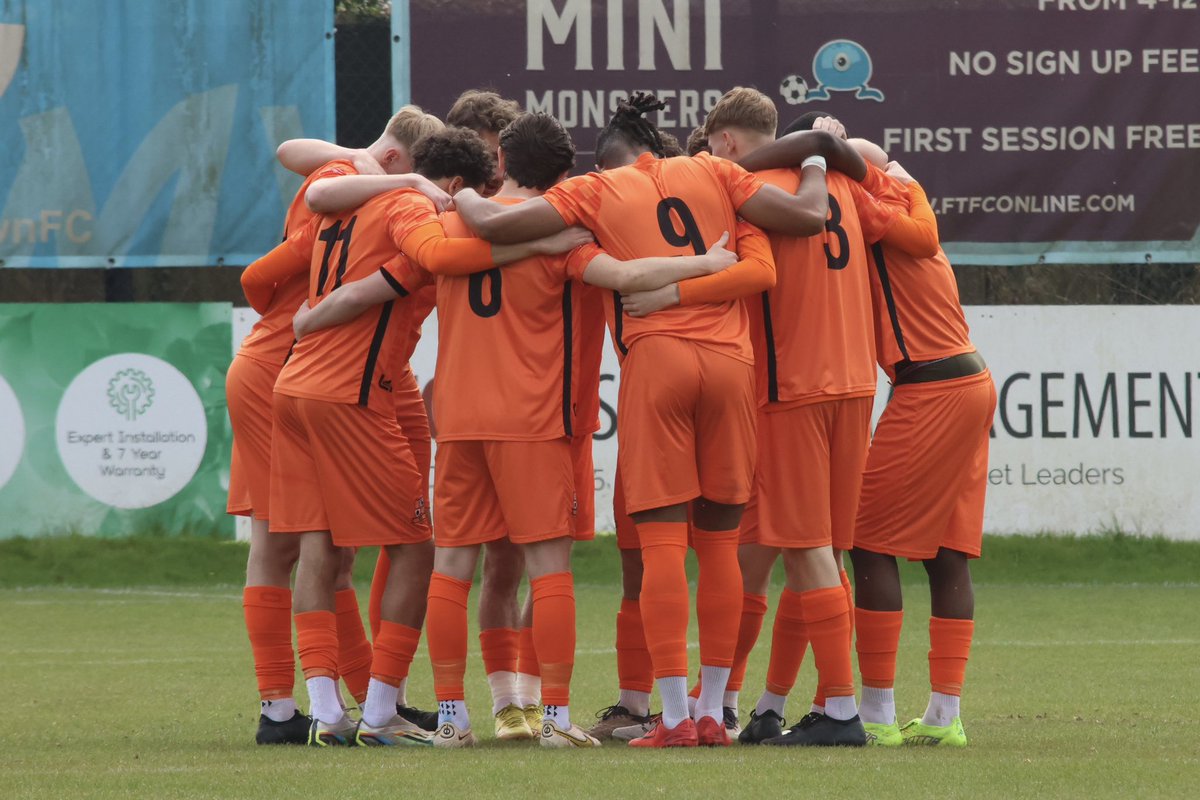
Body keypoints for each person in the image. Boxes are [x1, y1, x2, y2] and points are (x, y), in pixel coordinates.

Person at [451, 92, 838, 748]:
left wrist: (458, 195)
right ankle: (714, 710)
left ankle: (673, 718)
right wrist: (820, 157)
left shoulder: (595, 191)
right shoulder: (716, 172)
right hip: (729, 367)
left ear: (603, 162)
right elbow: (805, 218)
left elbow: (494, 226)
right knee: (719, 547)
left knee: (660, 550)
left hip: (657, 365)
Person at [254, 127, 584, 747]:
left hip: (297, 383)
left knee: (318, 545)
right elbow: (436, 259)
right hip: (358, 392)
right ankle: (386, 713)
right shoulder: (413, 208)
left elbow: (313, 257)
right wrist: (545, 242)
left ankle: (325, 711)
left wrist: (312, 315)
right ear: (456, 184)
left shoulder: (345, 189)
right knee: (422, 549)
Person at [667, 88, 896, 747]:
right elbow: (885, 175)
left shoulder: (746, 185)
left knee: (799, 549)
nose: (708, 159)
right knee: (788, 549)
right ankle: (753, 701)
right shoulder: (846, 186)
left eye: (711, 147)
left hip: (789, 386)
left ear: (728, 142)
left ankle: (841, 712)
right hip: (853, 383)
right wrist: (830, 147)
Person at [231, 105, 445, 744]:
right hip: (291, 362)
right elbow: (261, 275)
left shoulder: (344, 184)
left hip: (302, 365)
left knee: (332, 545)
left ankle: (352, 704)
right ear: (403, 162)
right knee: (283, 546)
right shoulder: (377, 198)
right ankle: (283, 708)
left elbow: (297, 162)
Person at [848, 155, 995, 748]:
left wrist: (827, 155)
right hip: (968, 378)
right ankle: (944, 715)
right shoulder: (908, 201)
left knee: (866, 540)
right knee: (944, 551)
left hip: (930, 385)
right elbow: (898, 190)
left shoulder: (877, 211)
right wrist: (897, 175)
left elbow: (842, 187)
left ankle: (877, 712)